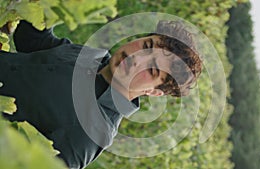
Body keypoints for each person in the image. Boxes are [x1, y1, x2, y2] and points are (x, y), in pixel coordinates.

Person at [0, 20, 202, 169]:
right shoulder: (94, 56)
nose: (136, 59)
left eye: (151, 69)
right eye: (147, 46)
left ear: (153, 91)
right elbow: (33, 42)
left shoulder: (92, 133)